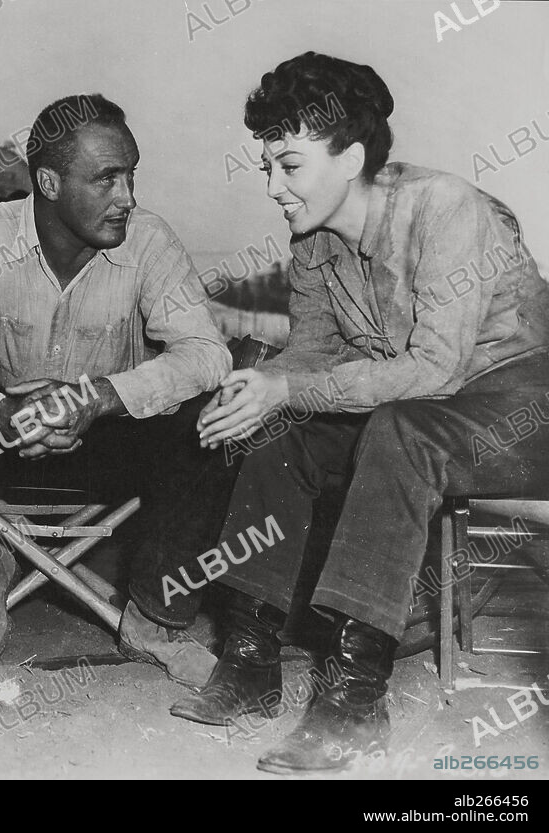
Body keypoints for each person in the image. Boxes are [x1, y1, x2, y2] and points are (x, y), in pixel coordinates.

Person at [171, 52, 549, 773]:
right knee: (279, 426)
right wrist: (256, 387)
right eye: (267, 167)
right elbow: (310, 356)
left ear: (349, 157)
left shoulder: (444, 208)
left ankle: (352, 701)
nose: (274, 188)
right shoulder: (314, 241)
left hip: (525, 406)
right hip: (430, 414)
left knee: (400, 427)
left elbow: (434, 370)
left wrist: (288, 387)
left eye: (289, 165)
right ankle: (249, 662)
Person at [0, 94, 238, 678]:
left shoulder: (150, 240)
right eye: (106, 180)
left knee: (216, 417)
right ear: (48, 182)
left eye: (131, 176)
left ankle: (154, 612)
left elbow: (207, 354)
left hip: (109, 446)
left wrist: (100, 398)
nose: (128, 198)